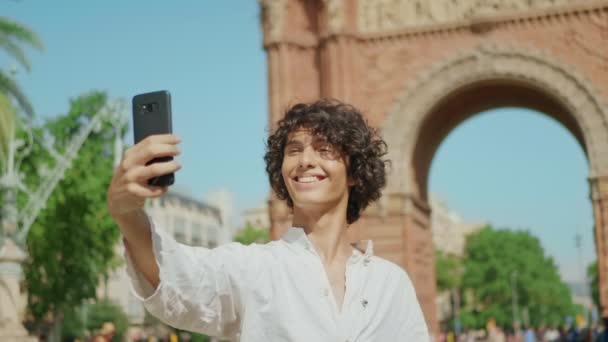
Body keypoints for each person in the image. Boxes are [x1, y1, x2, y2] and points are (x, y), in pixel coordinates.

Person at [107, 99, 430, 341]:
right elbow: (179, 277)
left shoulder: (390, 283)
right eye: (294, 150)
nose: (306, 160)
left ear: (354, 172)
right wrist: (126, 212)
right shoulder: (254, 268)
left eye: (324, 149)